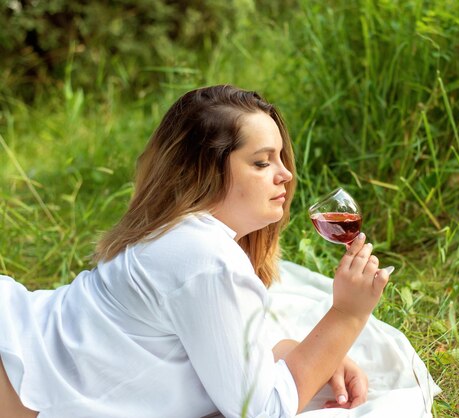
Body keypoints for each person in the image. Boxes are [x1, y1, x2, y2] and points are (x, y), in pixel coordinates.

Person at [0, 85, 391, 418]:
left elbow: (207, 348)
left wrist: (303, 354)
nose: (285, 174)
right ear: (205, 171)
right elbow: (262, 410)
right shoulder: (206, 259)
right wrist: (347, 315)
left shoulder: (175, 231)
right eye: (261, 162)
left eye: (280, 159)